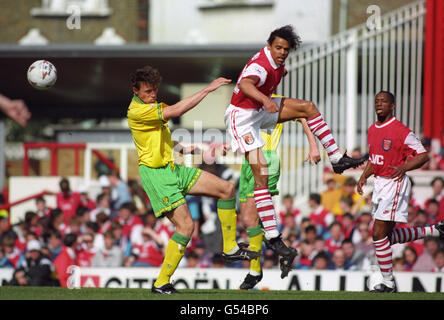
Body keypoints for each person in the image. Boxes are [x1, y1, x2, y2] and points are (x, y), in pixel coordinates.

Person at [224, 25, 367, 268]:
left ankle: (336, 158)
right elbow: (246, 84)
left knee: (308, 107)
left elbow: (275, 76)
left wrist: (268, 95)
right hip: (242, 118)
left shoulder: (278, 65)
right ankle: (272, 237)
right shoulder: (260, 65)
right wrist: (265, 99)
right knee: (262, 174)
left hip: (258, 110)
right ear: (269, 46)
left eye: (285, 49)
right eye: (278, 47)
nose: (281, 52)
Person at [127, 65, 256, 294]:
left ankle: (229, 247)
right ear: (136, 91)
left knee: (226, 188)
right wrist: (208, 89)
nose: (152, 95)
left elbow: (160, 135)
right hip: (156, 175)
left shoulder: (152, 106)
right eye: (147, 92)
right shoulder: (137, 112)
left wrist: (184, 149)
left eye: (154, 90)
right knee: (186, 226)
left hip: (173, 169)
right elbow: (177, 111)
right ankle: (161, 283)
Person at [357, 91, 444, 293]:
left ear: (393, 106)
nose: (379, 104)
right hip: (380, 184)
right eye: (377, 101)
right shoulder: (372, 129)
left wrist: (404, 168)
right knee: (385, 239)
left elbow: (423, 155)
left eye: (384, 101)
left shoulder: (401, 131)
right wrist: (364, 176)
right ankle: (435, 230)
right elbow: (375, 158)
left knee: (377, 234)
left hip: (394, 183)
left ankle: (388, 283)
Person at [238, 114, 320, 289]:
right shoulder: (245, 104)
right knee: (247, 221)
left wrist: (313, 145)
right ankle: (282, 251)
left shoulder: (275, 103)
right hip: (248, 160)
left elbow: (304, 116)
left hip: (265, 157)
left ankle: (256, 270)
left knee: (251, 219)